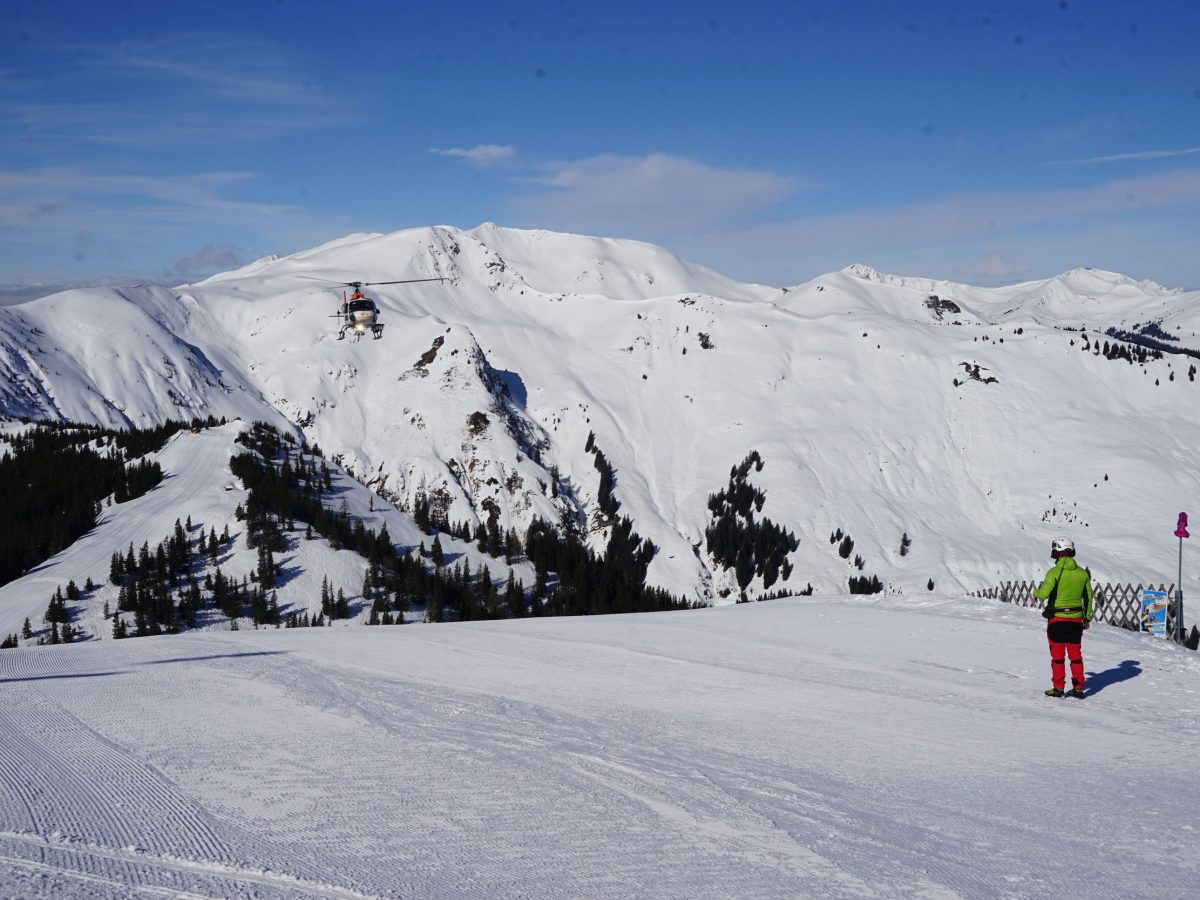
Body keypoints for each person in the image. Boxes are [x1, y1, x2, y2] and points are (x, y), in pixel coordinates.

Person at [1034, 536, 1094, 699]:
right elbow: (1088, 597)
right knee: (1076, 656)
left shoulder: (1053, 572)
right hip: (1075, 620)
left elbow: (1043, 594)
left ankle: (1058, 688)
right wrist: (1087, 617)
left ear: (1057, 552)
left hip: (1057, 620)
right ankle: (1079, 688)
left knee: (1058, 657)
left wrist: (1036, 592)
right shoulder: (1082, 573)